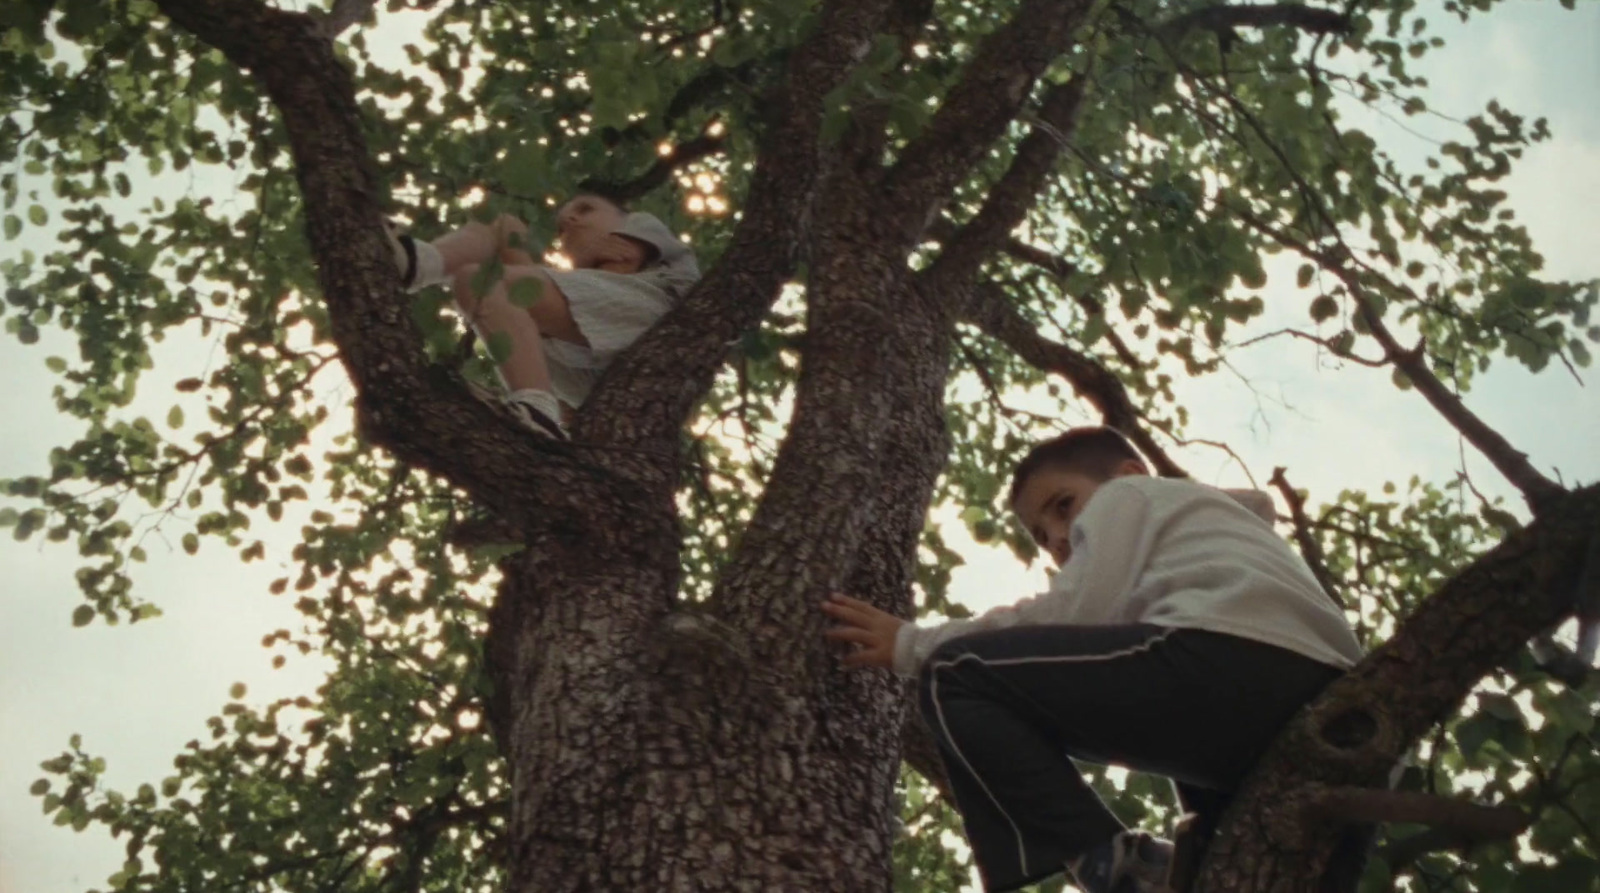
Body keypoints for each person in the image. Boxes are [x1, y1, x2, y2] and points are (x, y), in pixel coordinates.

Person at [822, 427, 1364, 893]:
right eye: (1041, 537)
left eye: (1063, 507)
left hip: (1237, 665)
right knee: (1211, 861)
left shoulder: (1130, 494)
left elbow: (1079, 611)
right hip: (1345, 731)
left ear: (1128, 472)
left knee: (955, 675)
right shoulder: (1222, 540)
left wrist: (910, 644)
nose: (1058, 539)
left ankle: (1115, 867)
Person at [387, 193, 699, 439]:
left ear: (623, 220)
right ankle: (415, 262)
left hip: (653, 317)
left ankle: (537, 408)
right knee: (500, 235)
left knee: (484, 279)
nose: (571, 222)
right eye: (562, 227)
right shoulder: (584, 293)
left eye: (586, 209)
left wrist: (603, 256)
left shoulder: (639, 224)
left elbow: (628, 259)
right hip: (597, 370)